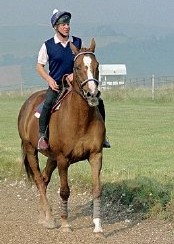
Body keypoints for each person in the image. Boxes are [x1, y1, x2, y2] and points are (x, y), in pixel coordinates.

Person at [37, 9, 111, 150]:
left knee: (98, 102)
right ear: (56, 27)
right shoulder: (48, 45)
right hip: (57, 85)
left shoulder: (77, 42)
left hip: (77, 84)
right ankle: (42, 136)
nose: (67, 27)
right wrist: (49, 80)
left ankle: (103, 136)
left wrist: (74, 75)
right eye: (63, 24)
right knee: (47, 103)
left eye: (68, 24)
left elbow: (82, 63)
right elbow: (39, 66)